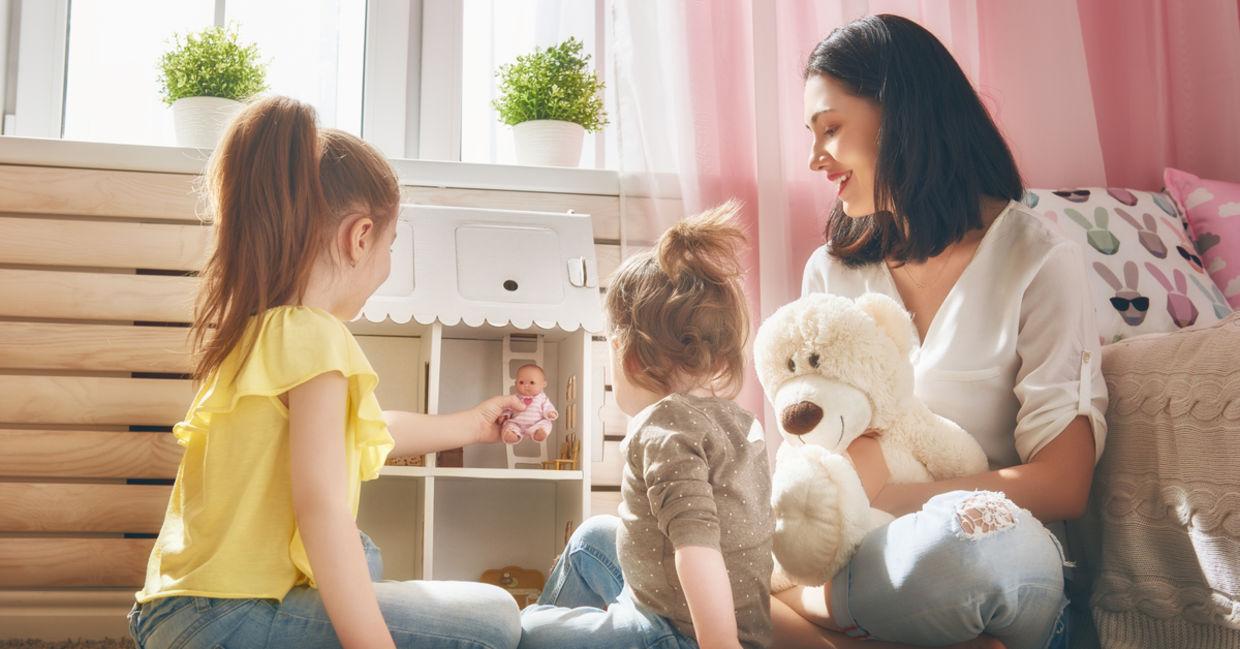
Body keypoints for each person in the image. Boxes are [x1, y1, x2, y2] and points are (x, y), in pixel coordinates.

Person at [127, 96, 524, 649]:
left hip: (177, 609)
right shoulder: (315, 335)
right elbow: (320, 507)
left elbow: (358, 430)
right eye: (390, 245)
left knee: (363, 554)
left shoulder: (256, 329)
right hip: (230, 618)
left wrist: (475, 424)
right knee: (494, 621)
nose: (385, 263)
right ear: (360, 238)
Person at [772, 14, 1108, 649]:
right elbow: (809, 449)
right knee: (662, 540)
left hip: (986, 551)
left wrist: (895, 496)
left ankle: (801, 620)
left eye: (831, 130)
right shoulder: (832, 274)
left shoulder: (1036, 261)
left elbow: (1065, 482)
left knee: (956, 556)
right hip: (867, 560)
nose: (815, 158)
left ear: (900, 117)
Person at [519, 202, 775, 649]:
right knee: (592, 538)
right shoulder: (740, 422)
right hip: (699, 609)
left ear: (627, 354)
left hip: (677, 634)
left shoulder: (662, 430)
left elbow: (698, 547)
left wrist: (720, 644)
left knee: (525, 630)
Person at [502, 363, 558, 443]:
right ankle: (513, 435)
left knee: (547, 423)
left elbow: (547, 406)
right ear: (515, 383)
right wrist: (504, 415)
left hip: (536, 424)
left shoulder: (542, 398)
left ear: (543, 384)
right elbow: (508, 408)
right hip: (517, 423)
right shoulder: (515, 398)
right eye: (521, 382)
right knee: (508, 425)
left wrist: (550, 413)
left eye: (532, 383)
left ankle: (538, 434)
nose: (526, 385)